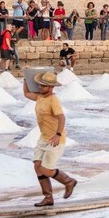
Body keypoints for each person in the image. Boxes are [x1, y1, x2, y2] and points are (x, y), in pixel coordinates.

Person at [23, 70, 78, 207]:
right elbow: (26, 94)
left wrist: (58, 134)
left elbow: (61, 117)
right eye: (40, 85)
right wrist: (25, 79)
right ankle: (48, 197)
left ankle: (68, 181)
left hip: (55, 138)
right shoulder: (40, 96)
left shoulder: (53, 100)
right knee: (37, 166)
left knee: (46, 169)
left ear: (51, 87)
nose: (40, 87)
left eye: (44, 86)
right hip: (44, 137)